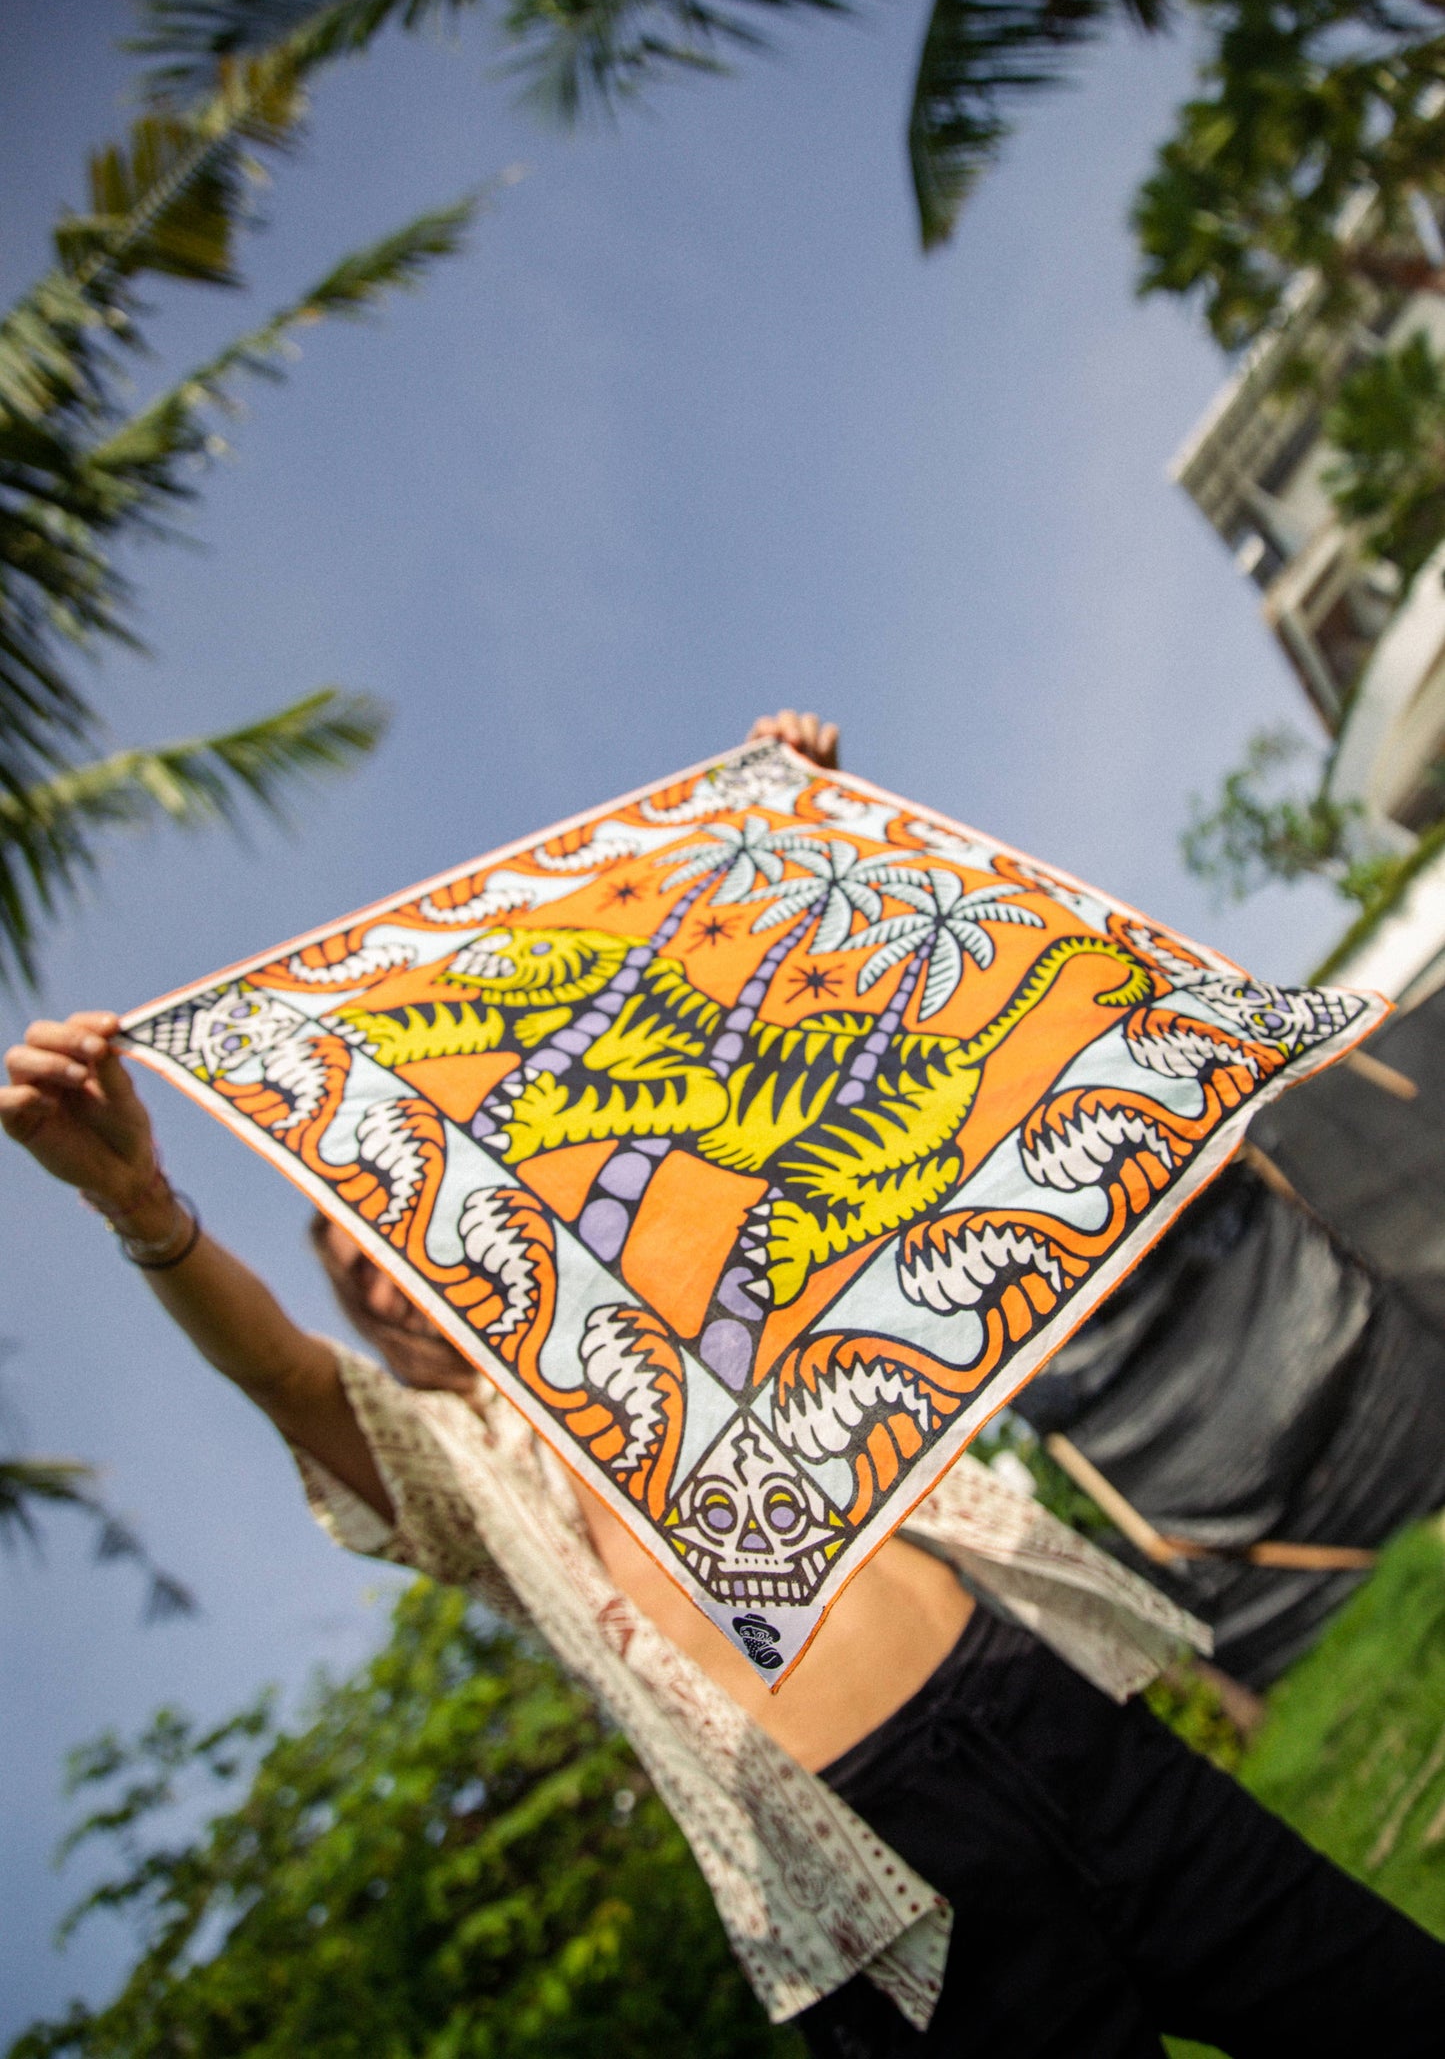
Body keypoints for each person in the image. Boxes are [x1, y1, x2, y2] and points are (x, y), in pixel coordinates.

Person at [7, 707, 1445, 2058]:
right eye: (347, 1263)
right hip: (874, 1881)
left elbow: (768, 1057)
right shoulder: (455, 1466)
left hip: (1032, 1700)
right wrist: (143, 1206)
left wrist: (779, 835)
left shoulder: (682, 1286)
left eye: (377, 1222)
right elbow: (282, 1377)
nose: (375, 1263)